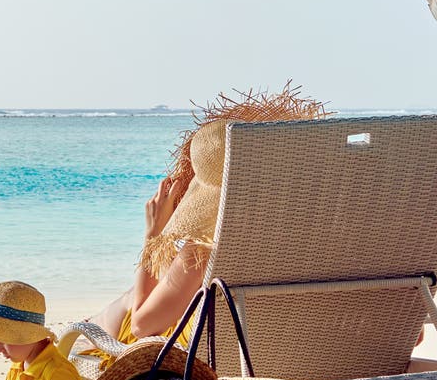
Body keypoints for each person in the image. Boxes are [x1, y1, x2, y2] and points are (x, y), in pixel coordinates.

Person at [88, 85, 332, 351]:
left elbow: (142, 327)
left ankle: (85, 330)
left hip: (211, 359)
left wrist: (154, 235)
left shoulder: (207, 250)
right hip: (296, 349)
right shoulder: (318, 229)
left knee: (128, 301)